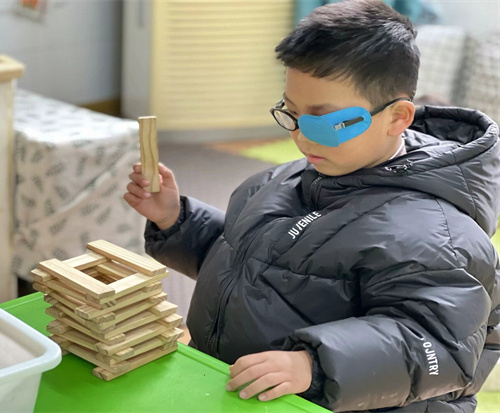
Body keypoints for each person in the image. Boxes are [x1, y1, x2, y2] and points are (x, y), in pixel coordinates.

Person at [124, 1, 500, 411]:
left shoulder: (438, 235)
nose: (303, 138)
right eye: (292, 114)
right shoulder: (281, 179)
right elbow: (253, 263)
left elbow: (441, 346)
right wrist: (175, 219)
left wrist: (315, 365)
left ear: (397, 118)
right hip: (245, 391)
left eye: (324, 121)